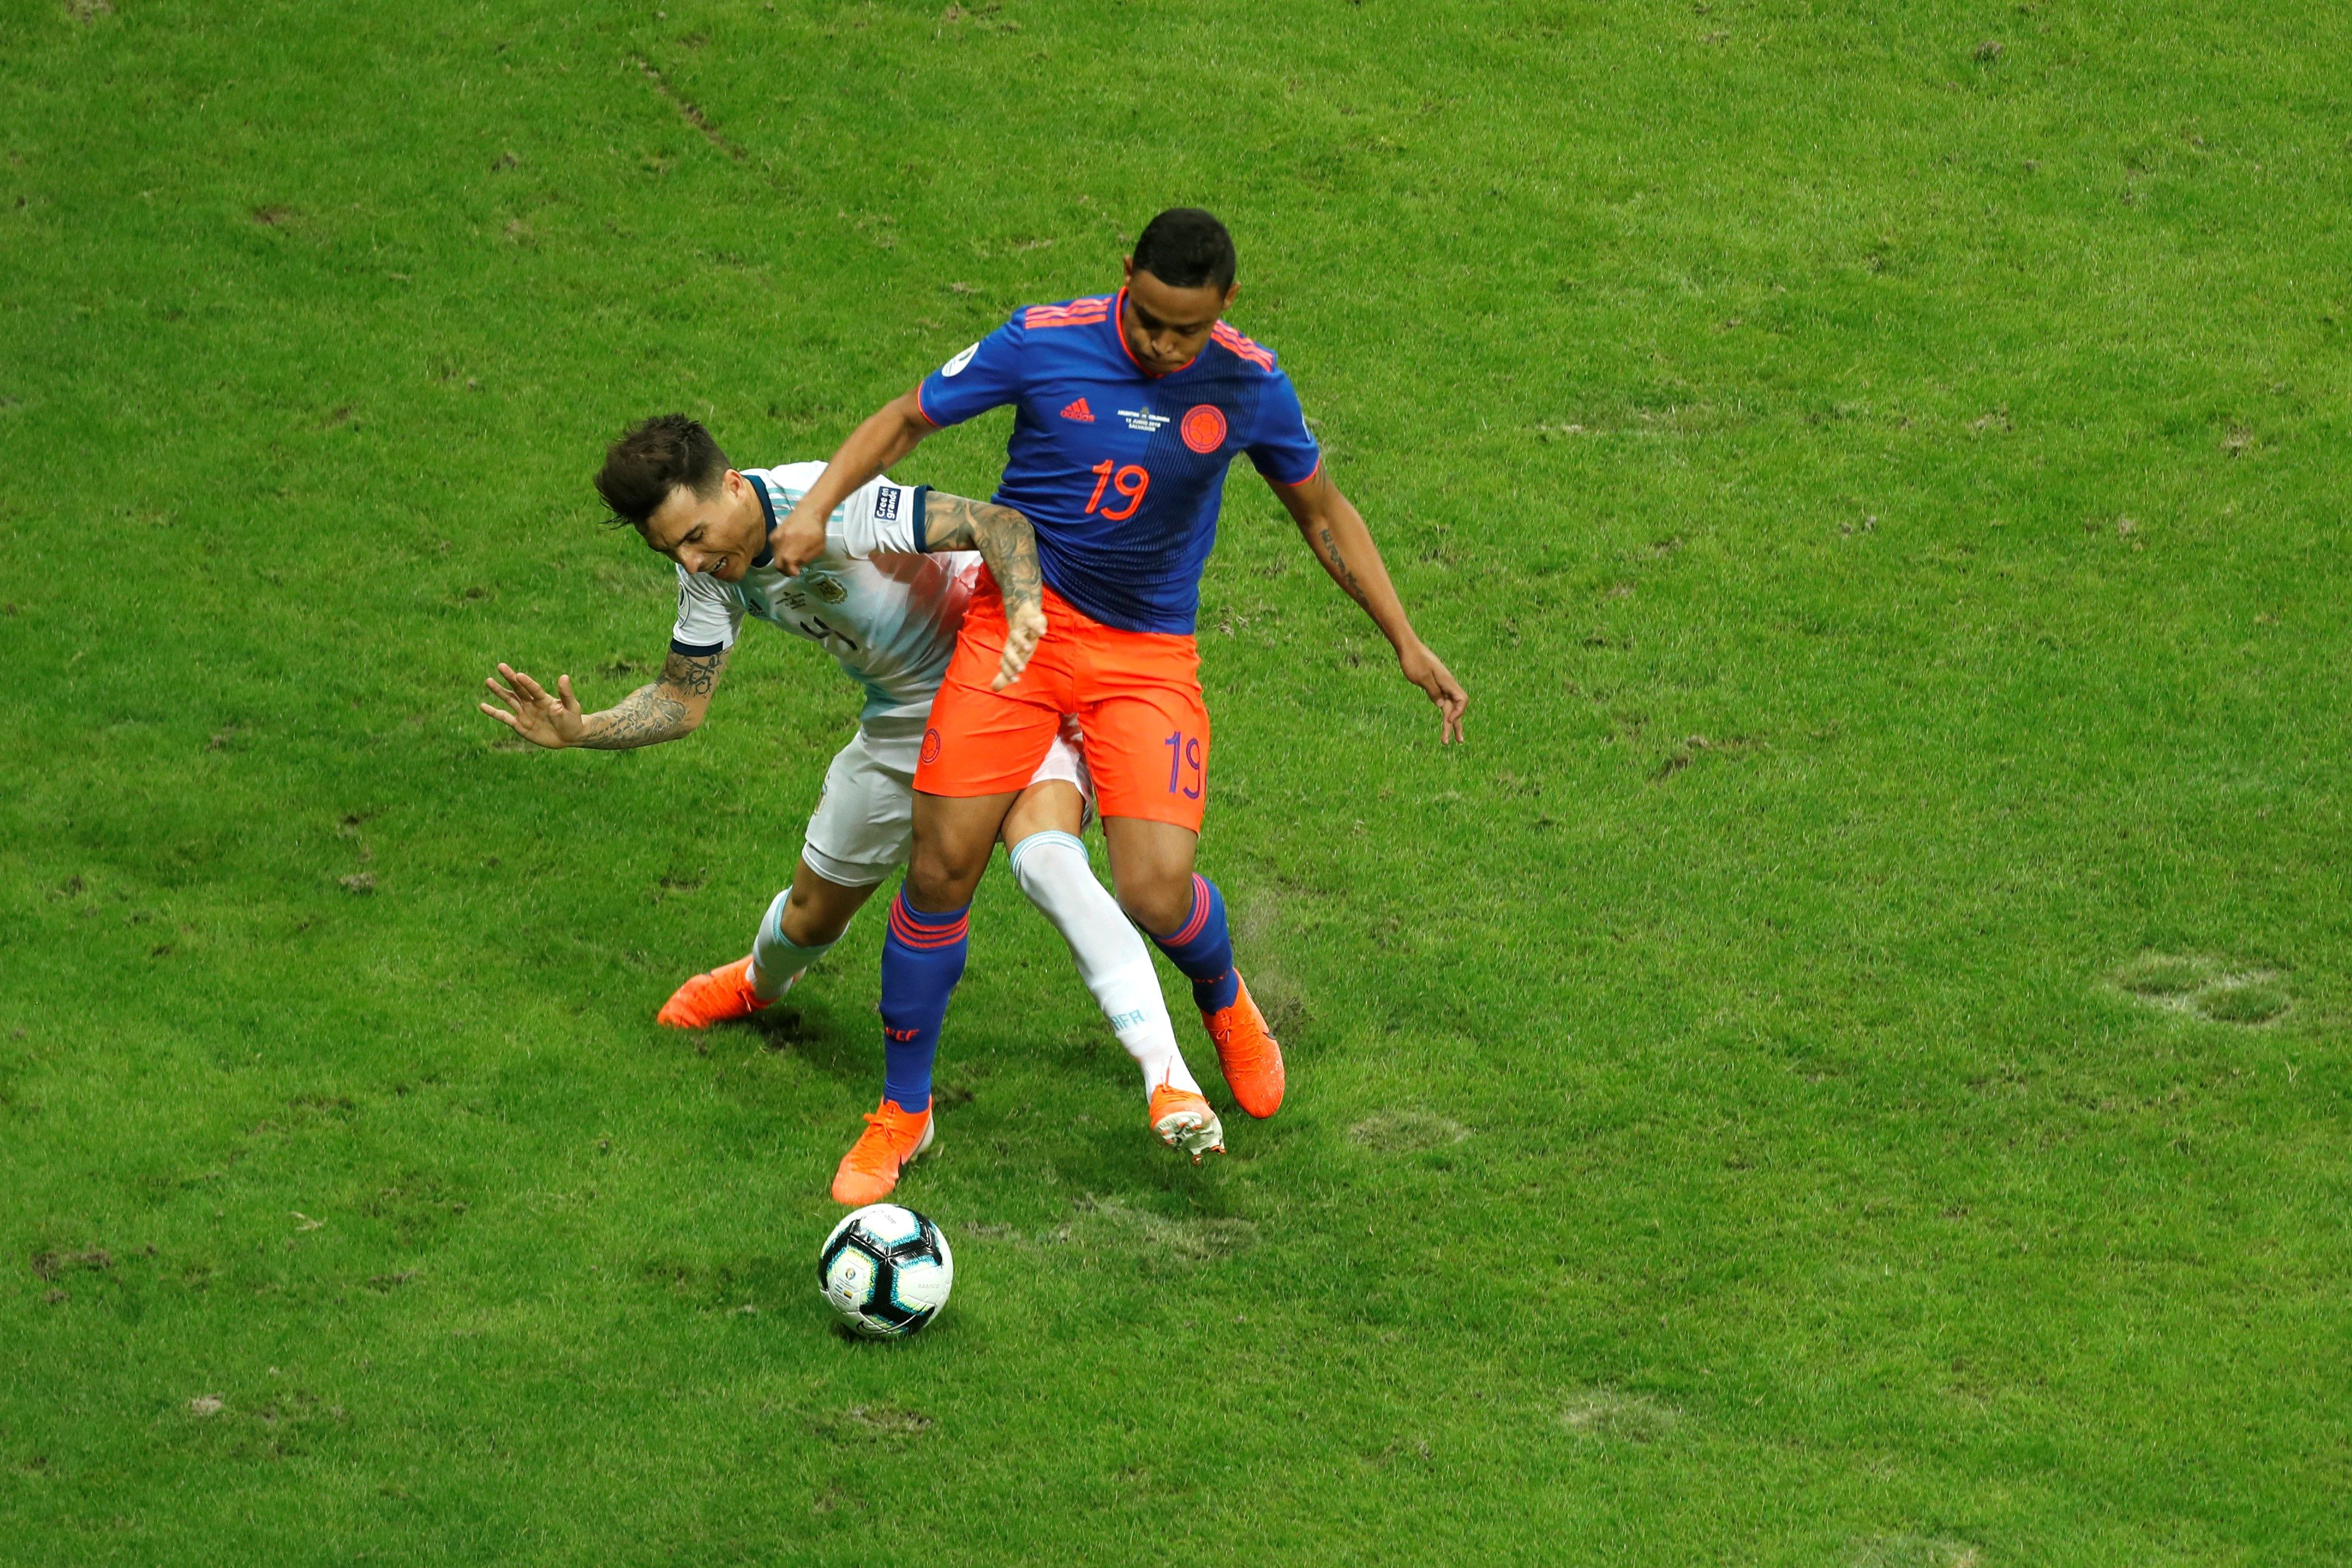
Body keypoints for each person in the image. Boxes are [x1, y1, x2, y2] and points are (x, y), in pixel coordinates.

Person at [770, 208, 1468, 1204]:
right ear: (1125, 278)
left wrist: (1403, 638)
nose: (1160, 344)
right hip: (1016, 623)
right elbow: (906, 417)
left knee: (1152, 888)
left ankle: (1222, 994)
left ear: (1224, 306)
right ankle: (903, 1109)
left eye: (1184, 330)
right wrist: (813, 506)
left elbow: (1322, 511)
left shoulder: (1249, 383)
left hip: (1143, 656)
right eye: (1145, 319)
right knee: (940, 863)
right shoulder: (1043, 341)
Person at [477, 415, 1228, 1187]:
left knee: (1047, 862)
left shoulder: (834, 504)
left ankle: (1166, 1074)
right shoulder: (708, 568)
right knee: (811, 914)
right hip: (901, 720)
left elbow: (995, 524)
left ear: (734, 485)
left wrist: (1034, 627)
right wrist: (583, 730)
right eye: (671, 549)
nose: (693, 559)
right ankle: (758, 984)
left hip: (996, 692)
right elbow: (681, 700)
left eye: (696, 536)